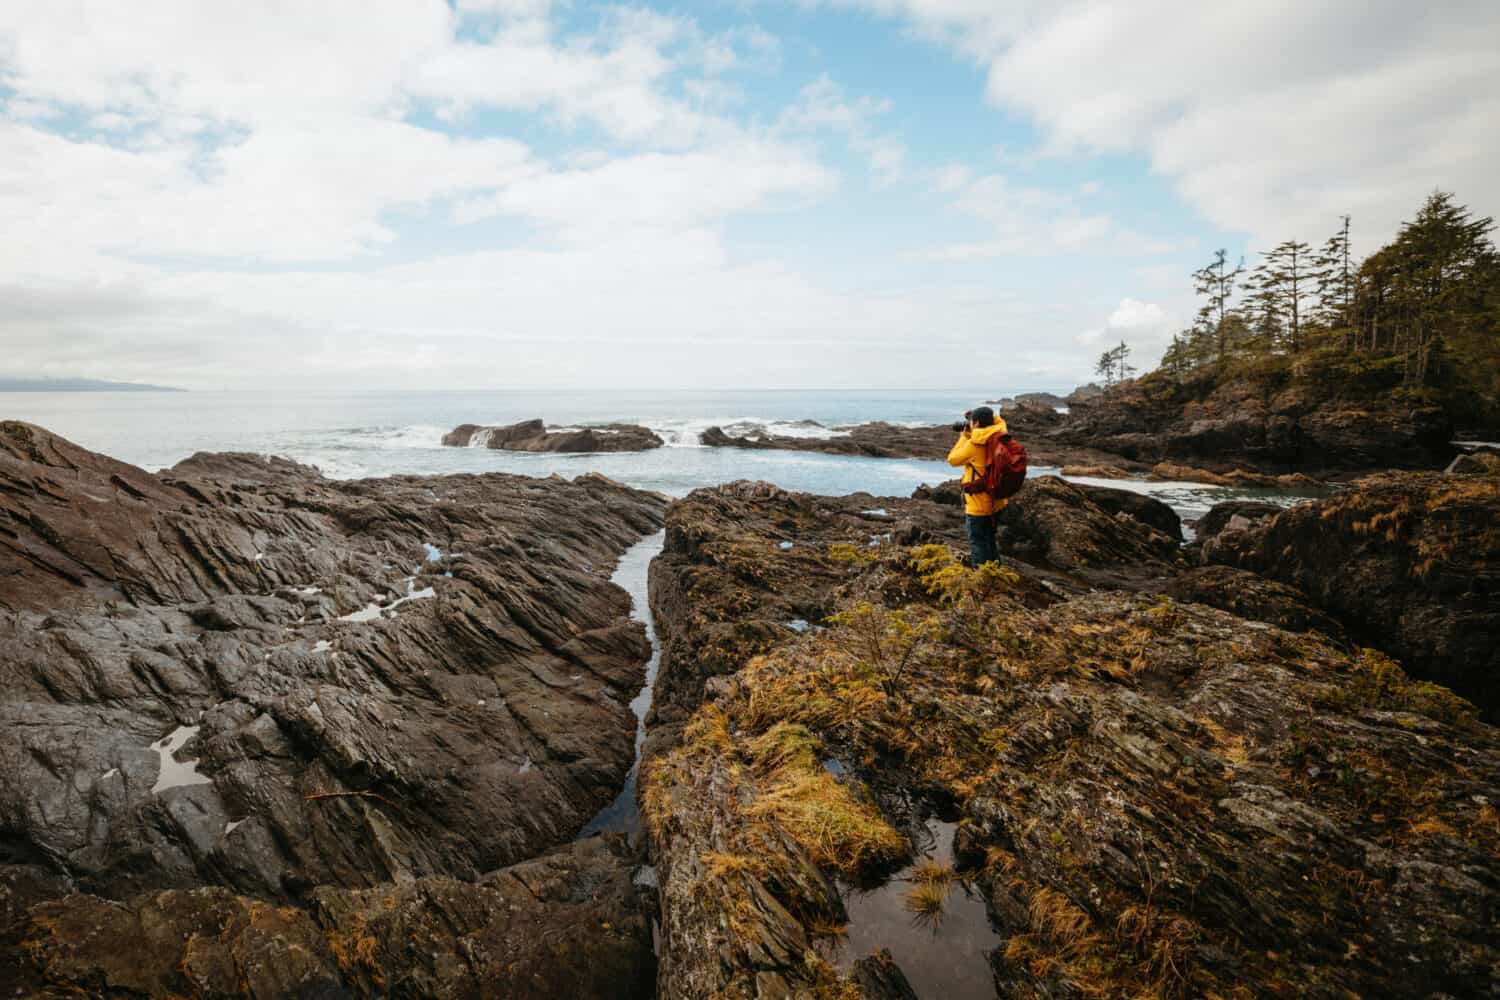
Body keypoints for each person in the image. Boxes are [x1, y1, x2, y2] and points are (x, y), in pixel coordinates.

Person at [947, 406, 1008, 566]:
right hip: (997, 500)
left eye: (972, 421)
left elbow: (952, 459)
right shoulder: (999, 433)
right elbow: (998, 419)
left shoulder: (976, 443)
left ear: (977, 423)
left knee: (978, 542)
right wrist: (974, 418)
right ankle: (995, 574)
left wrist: (964, 435)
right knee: (989, 540)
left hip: (978, 503)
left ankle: (982, 579)